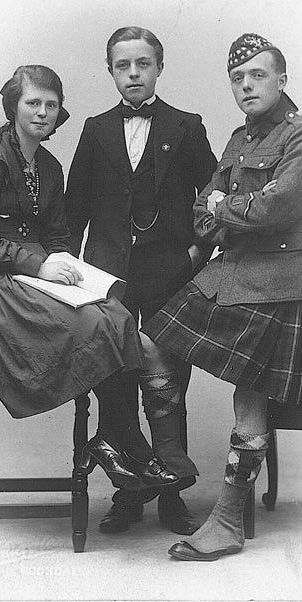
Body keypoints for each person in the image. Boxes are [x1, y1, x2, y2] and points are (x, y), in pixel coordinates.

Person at [142, 33, 302, 561]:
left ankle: (227, 521)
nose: (247, 85)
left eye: (257, 75)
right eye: (238, 78)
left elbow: (277, 207)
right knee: (152, 341)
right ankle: (171, 457)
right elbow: (203, 210)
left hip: (284, 283)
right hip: (235, 272)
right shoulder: (237, 140)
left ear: (281, 79)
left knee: (248, 396)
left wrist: (224, 207)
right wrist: (226, 206)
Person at [0, 64, 180, 493]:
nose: (42, 112)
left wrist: (66, 270)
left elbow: (58, 235)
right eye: (32, 103)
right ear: (13, 107)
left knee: (116, 314)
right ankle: (125, 437)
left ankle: (114, 435)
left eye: (51, 105)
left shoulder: (50, 166)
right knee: (91, 324)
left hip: (38, 268)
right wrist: (40, 267)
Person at [64, 27, 217, 534]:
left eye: (143, 64)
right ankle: (128, 495)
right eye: (122, 65)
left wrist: (197, 253)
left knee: (169, 380)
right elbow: (74, 211)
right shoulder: (95, 129)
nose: (133, 73)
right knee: (116, 382)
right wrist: (74, 278)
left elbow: (213, 200)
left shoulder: (187, 126)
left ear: (159, 67)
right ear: (110, 71)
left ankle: (173, 495)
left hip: (172, 277)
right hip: (108, 281)